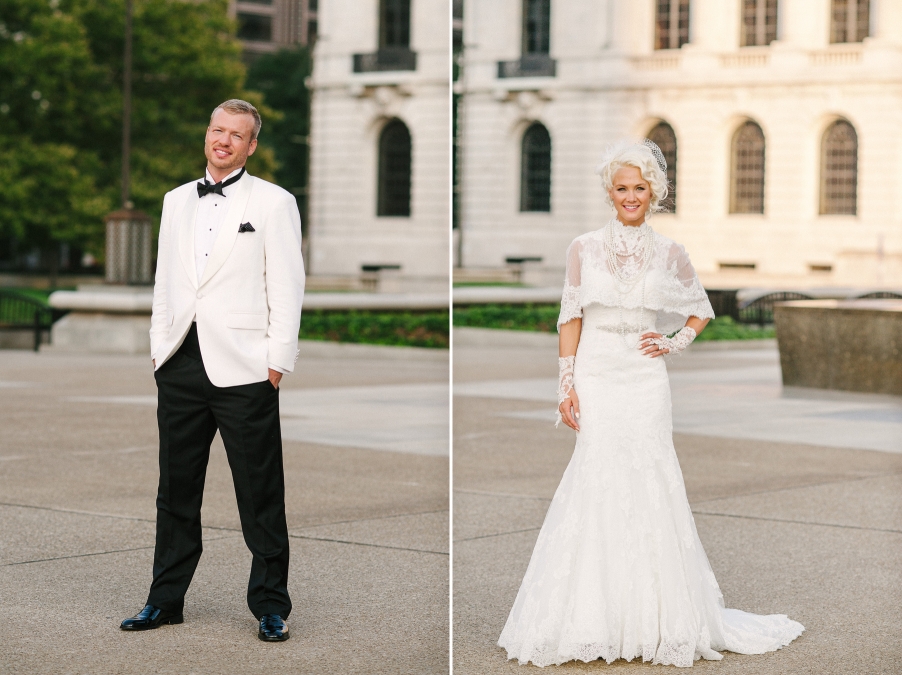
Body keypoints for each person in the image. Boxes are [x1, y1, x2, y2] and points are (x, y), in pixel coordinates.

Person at [497, 140, 804, 667]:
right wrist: (565, 383)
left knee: (650, 480)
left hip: (643, 381)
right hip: (596, 374)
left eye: (640, 188)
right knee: (595, 478)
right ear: (610, 193)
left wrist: (672, 341)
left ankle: (658, 618)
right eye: (622, 188)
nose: (631, 196)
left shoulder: (670, 252)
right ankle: (594, 617)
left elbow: (701, 310)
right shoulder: (583, 248)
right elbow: (570, 317)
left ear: (654, 192)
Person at [120, 99, 305, 642]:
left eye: (237, 134)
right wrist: (159, 348)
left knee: (260, 492)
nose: (224, 141)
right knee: (175, 490)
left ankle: (271, 605)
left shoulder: (274, 202)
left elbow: (287, 287)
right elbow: (165, 281)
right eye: (218, 130)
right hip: (179, 362)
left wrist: (276, 363)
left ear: (251, 145)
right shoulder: (176, 201)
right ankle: (165, 600)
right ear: (208, 135)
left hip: (246, 368)